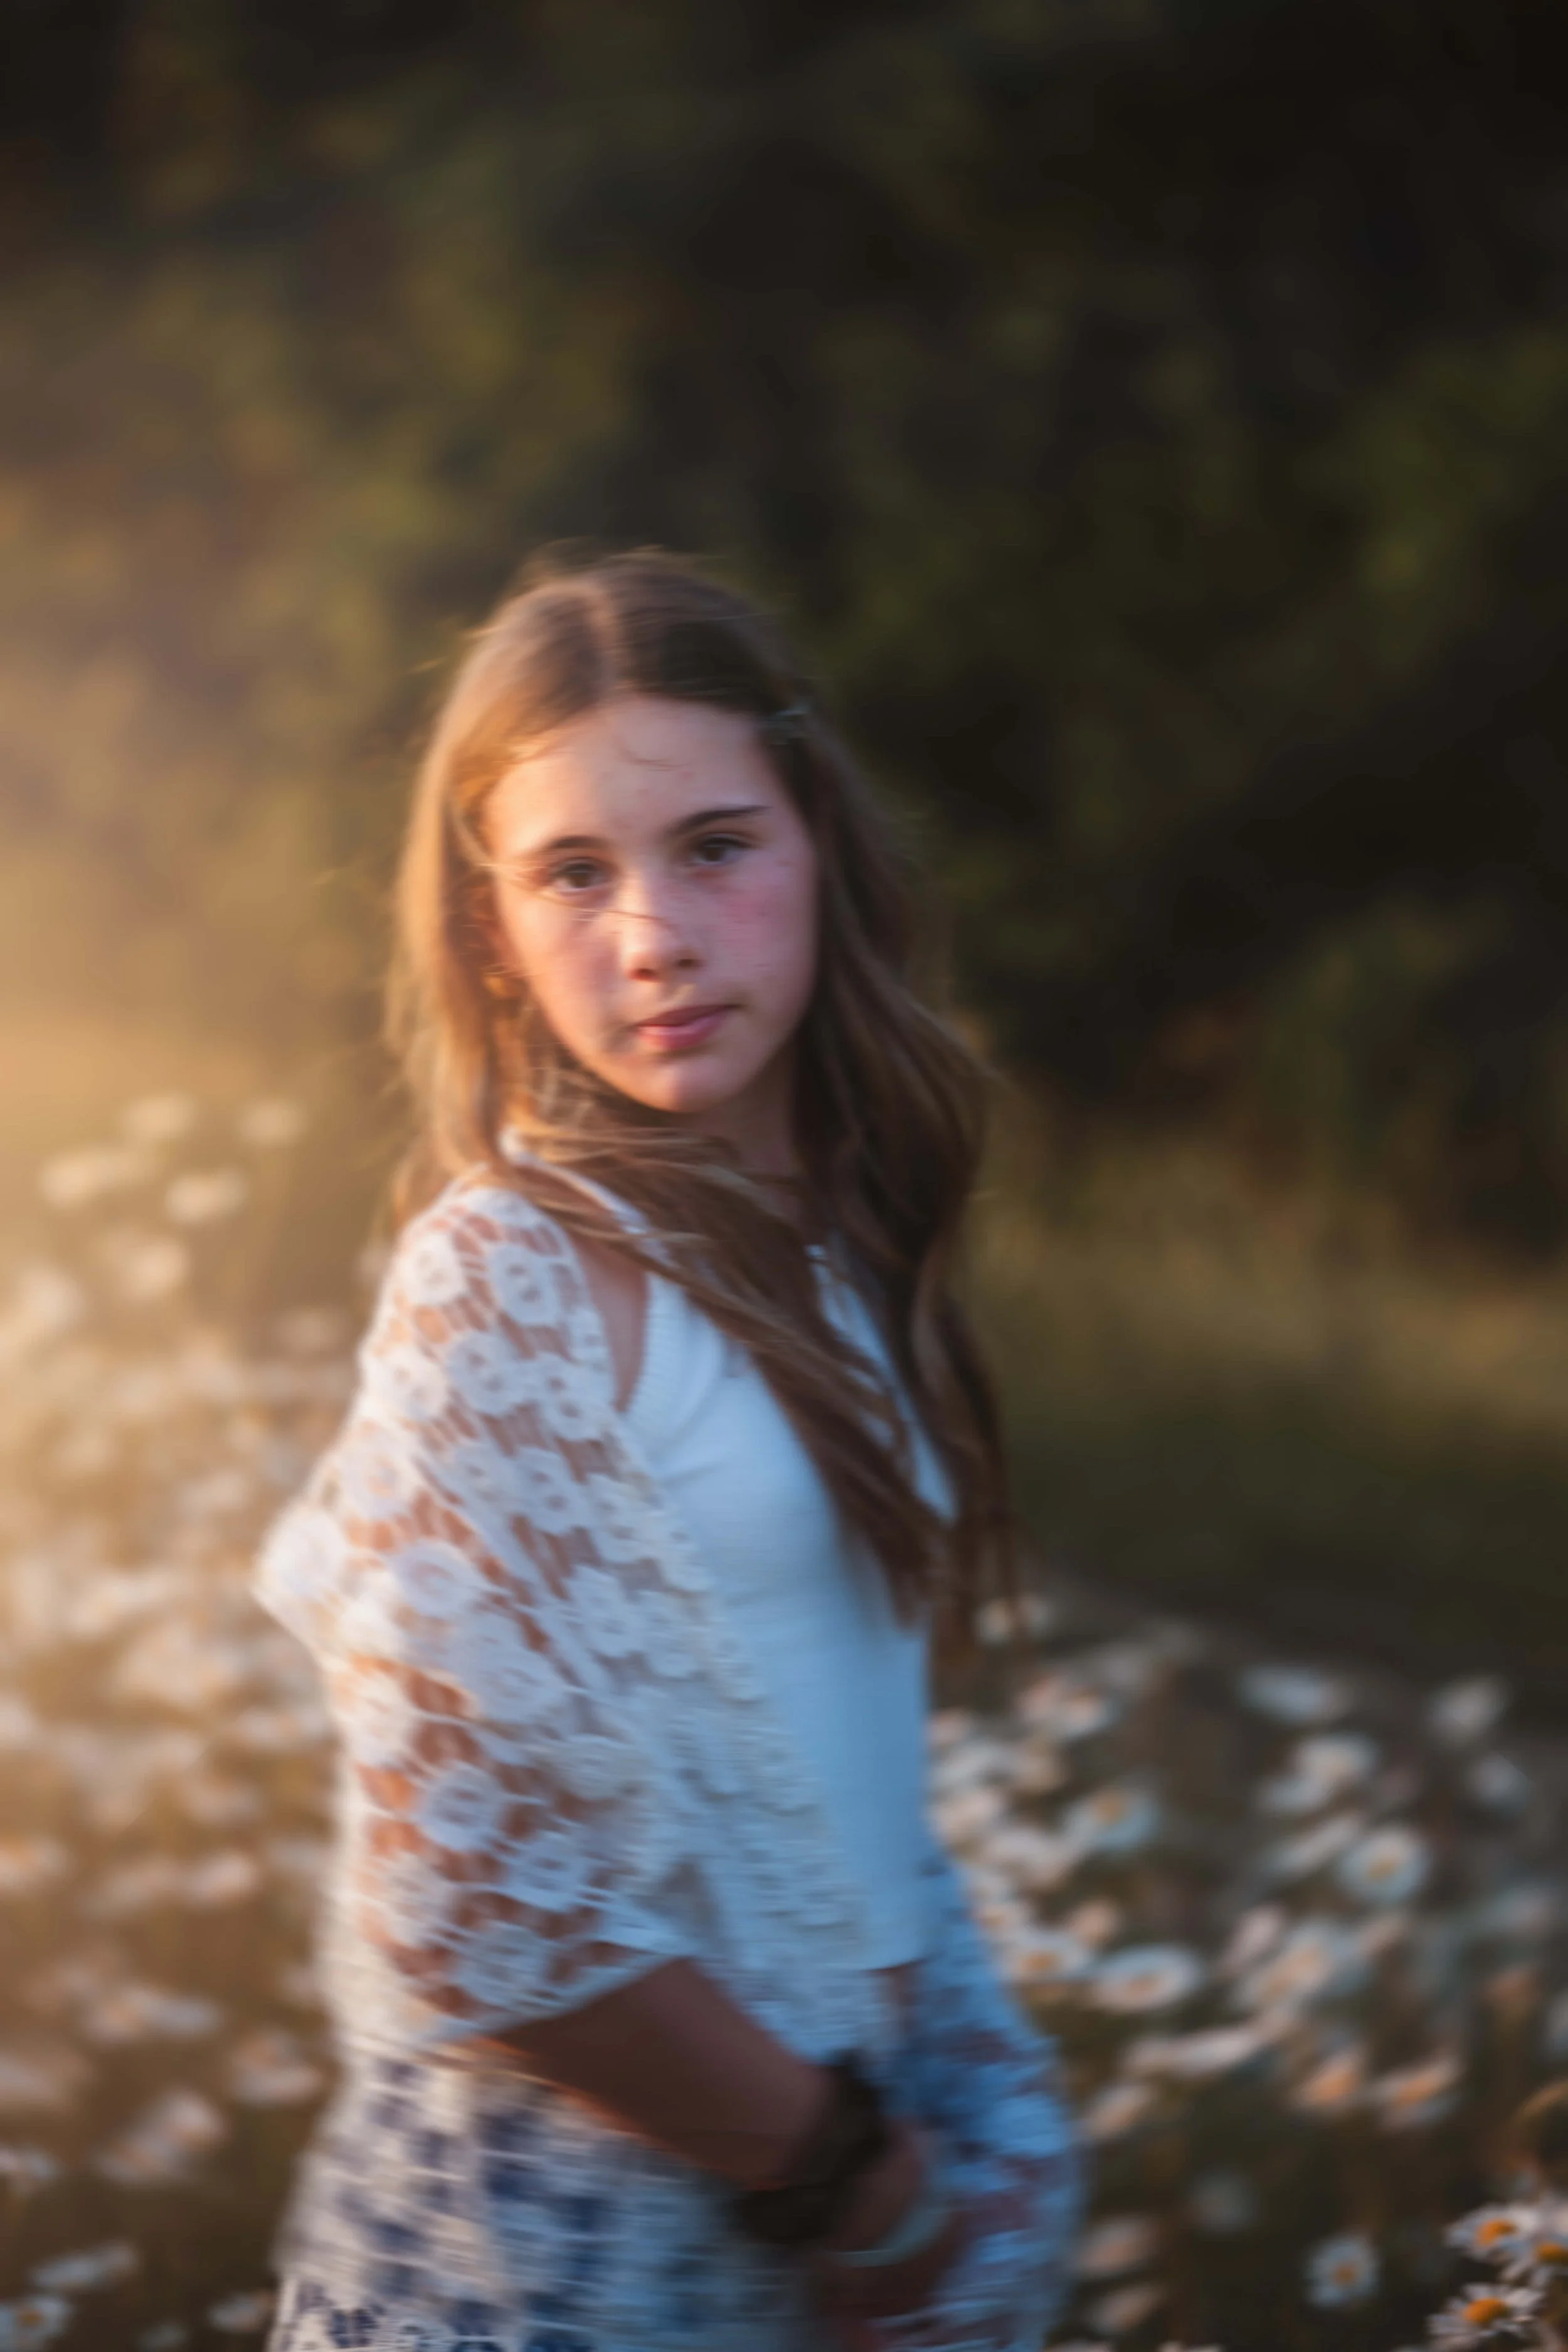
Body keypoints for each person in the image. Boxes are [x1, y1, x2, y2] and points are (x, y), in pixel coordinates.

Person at [252, 546, 1085, 2352]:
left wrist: (973, 2093)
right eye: (571, 872)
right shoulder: (513, 1278)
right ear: (492, 932)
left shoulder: (843, 1255)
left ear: (820, 850)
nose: (651, 934)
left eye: (713, 845)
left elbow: (830, 1759)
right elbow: (470, 1896)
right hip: (550, 2251)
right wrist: (860, 2191)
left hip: (803, 2195)